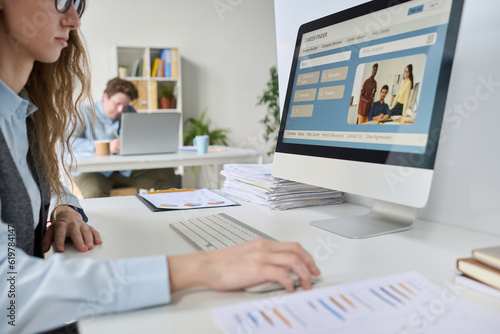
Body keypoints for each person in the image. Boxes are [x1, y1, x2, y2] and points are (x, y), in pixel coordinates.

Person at [0, 1, 320, 333]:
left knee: (167, 182)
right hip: (94, 183)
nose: (73, 20)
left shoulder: (26, 117)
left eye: (78, 4)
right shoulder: (80, 114)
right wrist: (203, 266)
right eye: (60, 0)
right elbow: (8, 300)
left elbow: (41, 182)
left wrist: (64, 206)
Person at [71, 77, 177, 198]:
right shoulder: (82, 113)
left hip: (124, 170)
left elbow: (139, 138)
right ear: (105, 97)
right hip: (92, 171)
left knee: (166, 173)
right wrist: (105, 146)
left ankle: (167, 214)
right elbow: (66, 142)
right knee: (95, 190)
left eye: (125, 106)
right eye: (117, 104)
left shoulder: (130, 112)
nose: (121, 110)